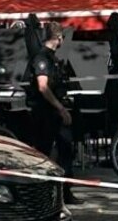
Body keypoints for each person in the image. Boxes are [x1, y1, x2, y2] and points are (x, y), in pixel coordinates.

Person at [26, 22, 81, 205]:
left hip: (55, 111)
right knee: (43, 152)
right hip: (45, 112)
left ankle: (65, 192)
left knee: (66, 150)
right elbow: (43, 87)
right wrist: (61, 108)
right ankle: (39, 194)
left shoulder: (52, 58)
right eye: (62, 37)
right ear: (58, 38)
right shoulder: (42, 58)